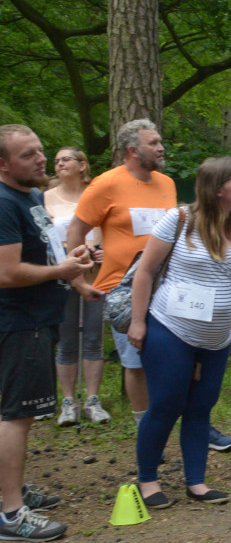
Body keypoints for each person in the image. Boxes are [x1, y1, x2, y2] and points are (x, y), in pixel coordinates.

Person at [127, 157, 231, 507]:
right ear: (219, 190)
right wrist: (138, 321)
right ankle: (148, 482)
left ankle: (196, 482)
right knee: (166, 404)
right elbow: (145, 271)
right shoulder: (179, 220)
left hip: (217, 340)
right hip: (170, 329)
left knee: (201, 408)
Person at [0, 124, 94, 541]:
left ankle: (12, 490)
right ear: (3, 164)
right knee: (16, 416)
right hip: (20, 322)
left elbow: (41, 250)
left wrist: (70, 258)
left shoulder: (31, 196)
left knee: (17, 413)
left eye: (41, 151)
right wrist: (62, 271)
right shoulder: (4, 203)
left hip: (39, 316)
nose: (41, 159)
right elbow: (7, 272)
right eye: (28, 155)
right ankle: (10, 514)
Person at [67, 119, 175, 432]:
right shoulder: (106, 183)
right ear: (132, 150)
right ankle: (146, 427)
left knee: (169, 359)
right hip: (122, 291)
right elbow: (77, 230)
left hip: (166, 288)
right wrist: (79, 279)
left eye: (159, 141)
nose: (160, 147)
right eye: (153, 143)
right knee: (135, 361)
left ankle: (166, 419)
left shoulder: (166, 184)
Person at [42, 147, 111, 426]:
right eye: (56, 161)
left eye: (65, 159)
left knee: (94, 336)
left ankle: (92, 400)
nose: (59, 164)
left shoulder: (96, 194)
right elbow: (42, 236)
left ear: (82, 165)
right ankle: (68, 402)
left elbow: (108, 231)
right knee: (67, 338)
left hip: (95, 272)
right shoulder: (45, 197)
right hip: (61, 274)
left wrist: (104, 251)